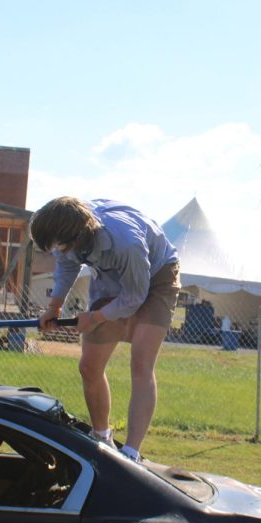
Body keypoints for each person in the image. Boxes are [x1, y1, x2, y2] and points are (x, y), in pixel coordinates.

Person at [30, 197, 180, 462]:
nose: (57, 250)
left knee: (141, 363)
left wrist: (95, 317)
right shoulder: (69, 236)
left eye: (59, 245)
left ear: (77, 235)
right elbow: (67, 264)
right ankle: (103, 439)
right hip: (111, 279)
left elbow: (135, 296)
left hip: (157, 277)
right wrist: (54, 307)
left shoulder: (127, 243)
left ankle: (131, 452)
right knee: (89, 366)